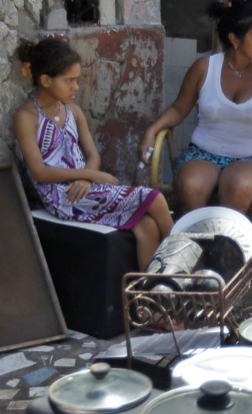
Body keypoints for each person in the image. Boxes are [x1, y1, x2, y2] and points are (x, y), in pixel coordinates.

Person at [13, 38, 173, 269]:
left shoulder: (74, 112)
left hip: (85, 186)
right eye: (69, 81)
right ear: (46, 80)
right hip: (63, 196)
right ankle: (181, 265)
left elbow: (93, 155)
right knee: (156, 199)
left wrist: (86, 176)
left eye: (76, 80)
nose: (75, 87)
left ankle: (151, 297)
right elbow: (38, 171)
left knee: (146, 226)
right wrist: (93, 176)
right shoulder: (27, 117)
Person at [138, 0, 252, 214]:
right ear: (234, 39)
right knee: (189, 186)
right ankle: (194, 243)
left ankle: (227, 245)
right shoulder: (204, 68)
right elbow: (178, 109)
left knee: (238, 187)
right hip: (204, 153)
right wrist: (151, 131)